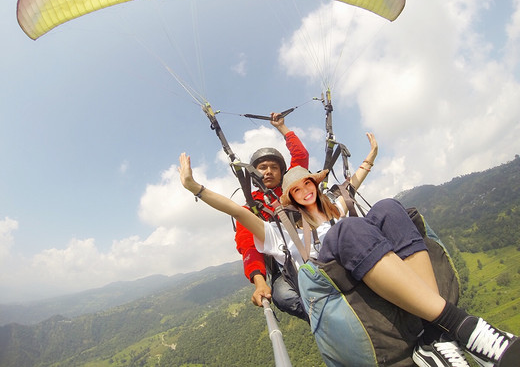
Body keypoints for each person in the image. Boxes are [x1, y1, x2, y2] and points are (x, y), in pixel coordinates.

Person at [178, 151, 519, 367]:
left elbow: (353, 184)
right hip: (332, 281)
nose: (304, 190)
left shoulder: (335, 210)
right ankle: (465, 327)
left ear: (315, 185)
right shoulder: (278, 234)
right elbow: (237, 210)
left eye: (307, 184)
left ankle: (433, 335)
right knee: (348, 232)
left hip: (363, 258)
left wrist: (369, 158)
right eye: (295, 189)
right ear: (289, 199)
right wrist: (197, 188)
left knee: (386, 207)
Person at [234, 112, 309, 319]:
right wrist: (259, 281)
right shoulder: (250, 209)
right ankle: (326, 326)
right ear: (254, 173)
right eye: (262, 168)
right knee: (284, 297)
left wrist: (282, 128)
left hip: (312, 250)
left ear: (282, 172)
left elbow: (301, 158)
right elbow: (248, 246)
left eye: (274, 167)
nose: (268, 171)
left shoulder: (290, 190)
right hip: (283, 267)